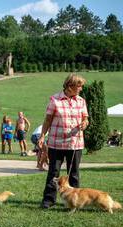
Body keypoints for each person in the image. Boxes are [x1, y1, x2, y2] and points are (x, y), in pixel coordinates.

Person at [38, 74, 89, 209]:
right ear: (70, 86)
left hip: (75, 144)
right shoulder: (55, 100)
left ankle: (75, 202)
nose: (81, 89)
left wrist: (85, 123)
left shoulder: (81, 101)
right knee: (53, 173)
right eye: (79, 86)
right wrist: (42, 136)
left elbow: (85, 118)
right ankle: (48, 201)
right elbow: (47, 120)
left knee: (74, 174)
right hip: (56, 143)